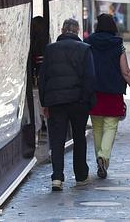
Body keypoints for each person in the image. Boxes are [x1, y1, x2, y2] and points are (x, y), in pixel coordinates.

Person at [38, 19, 96, 191]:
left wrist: (44, 102)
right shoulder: (85, 49)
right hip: (78, 101)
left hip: (56, 101)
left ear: (62, 30)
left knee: (57, 140)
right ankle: (80, 175)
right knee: (79, 138)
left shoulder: (50, 49)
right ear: (77, 31)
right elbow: (90, 77)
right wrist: (85, 100)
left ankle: (57, 177)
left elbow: (43, 78)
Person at [85, 14, 130, 179]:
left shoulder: (88, 42)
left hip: (94, 90)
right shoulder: (118, 44)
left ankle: (99, 159)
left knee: (96, 128)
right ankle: (104, 156)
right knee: (110, 126)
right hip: (113, 91)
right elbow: (125, 71)